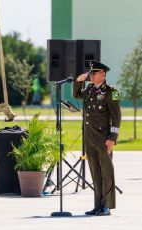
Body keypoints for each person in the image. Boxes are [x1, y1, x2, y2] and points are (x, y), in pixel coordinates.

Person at [73, 60, 121, 216]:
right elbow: (77, 94)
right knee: (95, 172)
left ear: (103, 74)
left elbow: (116, 118)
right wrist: (78, 82)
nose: (91, 76)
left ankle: (107, 205)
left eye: (94, 73)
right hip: (90, 137)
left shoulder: (110, 92)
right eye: (90, 73)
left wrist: (112, 138)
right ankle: (98, 205)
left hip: (103, 138)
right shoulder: (90, 90)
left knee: (107, 172)